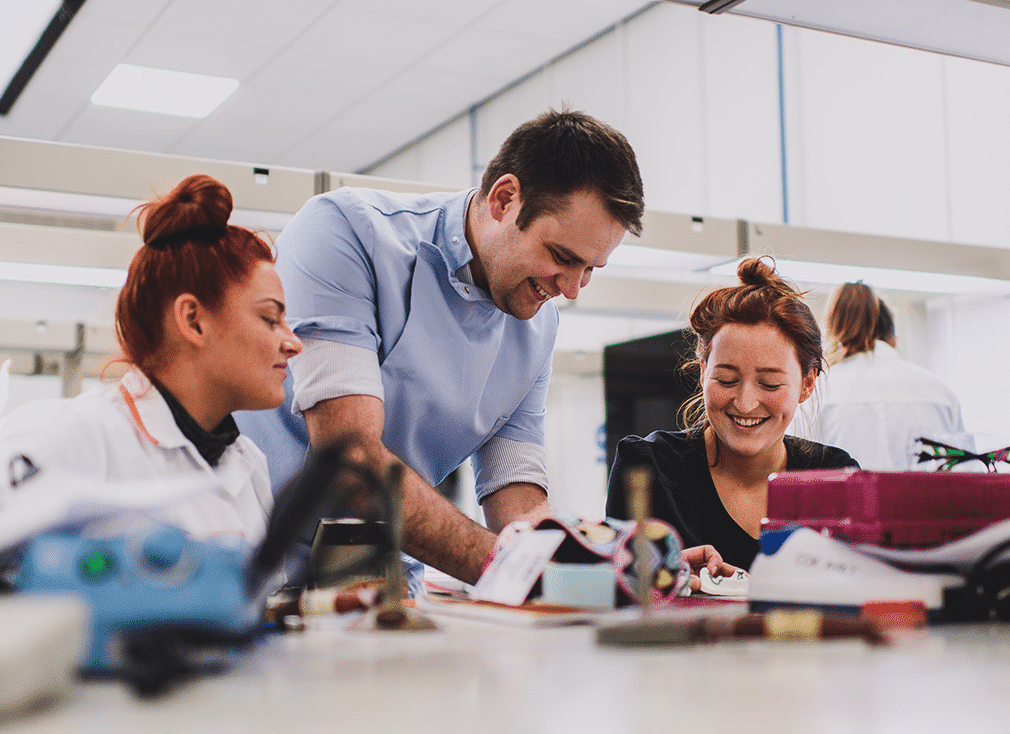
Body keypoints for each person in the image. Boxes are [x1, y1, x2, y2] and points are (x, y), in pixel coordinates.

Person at [236, 109, 649, 593]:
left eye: (591, 269)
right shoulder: (348, 233)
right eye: (562, 258)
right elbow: (350, 458)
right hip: (252, 572)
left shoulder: (537, 328)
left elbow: (514, 489)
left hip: (383, 587)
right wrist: (513, 571)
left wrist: (595, 569)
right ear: (504, 199)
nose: (572, 289)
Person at [0, 174, 302, 544]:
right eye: (271, 319)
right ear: (193, 320)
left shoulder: (247, 463)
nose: (293, 343)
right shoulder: (72, 435)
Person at [606, 258, 858, 571]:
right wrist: (667, 580)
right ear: (702, 372)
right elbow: (617, 591)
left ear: (807, 384)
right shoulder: (647, 468)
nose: (746, 403)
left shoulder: (834, 477)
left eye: (769, 383)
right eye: (727, 380)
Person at [799, 281, 971, 471]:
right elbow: (969, 475)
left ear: (831, 333)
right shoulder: (940, 391)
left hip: (845, 501)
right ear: (892, 337)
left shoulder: (816, 392)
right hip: (931, 501)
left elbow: (799, 476)